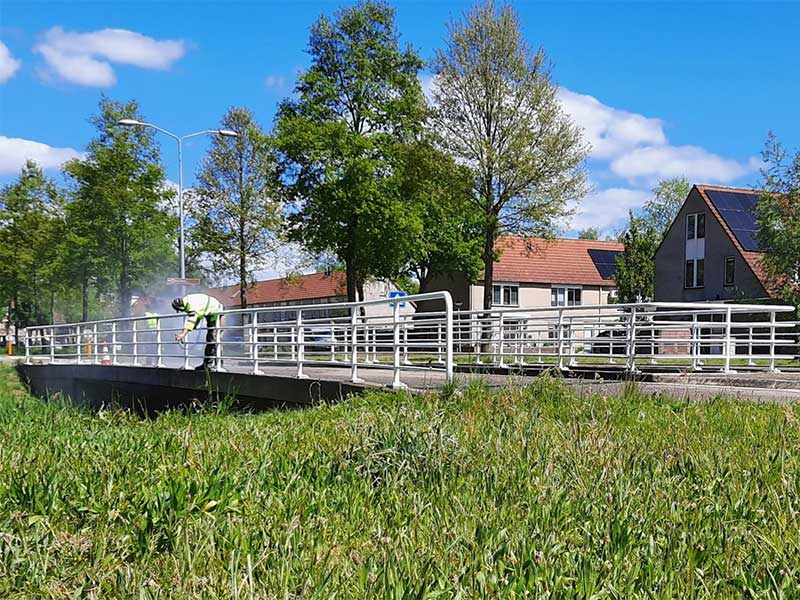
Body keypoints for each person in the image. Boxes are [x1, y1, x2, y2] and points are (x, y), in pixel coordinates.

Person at [172, 294, 225, 370]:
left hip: (218, 314)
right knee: (210, 340)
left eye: (180, 310)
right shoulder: (188, 301)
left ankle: (219, 364)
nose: (181, 311)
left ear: (180, 307)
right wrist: (188, 330)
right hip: (211, 314)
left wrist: (183, 334)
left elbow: (192, 320)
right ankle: (207, 364)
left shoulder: (191, 305)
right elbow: (196, 319)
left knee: (215, 339)